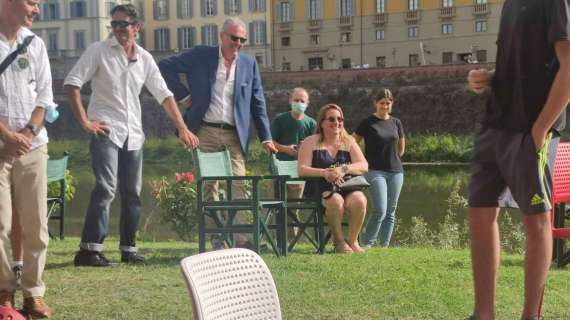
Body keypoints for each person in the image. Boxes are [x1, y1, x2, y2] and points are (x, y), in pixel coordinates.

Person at [64, 4, 199, 267]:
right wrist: (84, 121)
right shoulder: (98, 51)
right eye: (113, 24)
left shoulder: (145, 59)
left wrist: (182, 127)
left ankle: (128, 249)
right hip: (106, 130)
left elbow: (164, 94)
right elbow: (72, 82)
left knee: (133, 193)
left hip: (134, 134)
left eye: (122, 24)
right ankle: (89, 251)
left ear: (136, 27)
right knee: (106, 188)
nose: (116, 29)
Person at [466, 0, 570, 319]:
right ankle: (483, 314)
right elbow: (525, 64)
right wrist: (487, 77)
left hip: (530, 130)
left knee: (536, 221)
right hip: (494, 124)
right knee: (479, 214)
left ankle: (530, 316)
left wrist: (541, 128)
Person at [158, 17, 277, 250]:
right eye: (234, 38)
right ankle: (217, 237)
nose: (239, 43)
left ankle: (241, 240)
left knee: (239, 184)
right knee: (209, 186)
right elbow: (164, 67)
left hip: (235, 134)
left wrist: (266, 136)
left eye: (243, 39)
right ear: (222, 37)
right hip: (205, 131)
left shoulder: (249, 64)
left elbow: (257, 101)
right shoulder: (201, 55)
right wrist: (183, 95)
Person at [0, 0, 54, 317]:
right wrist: (7, 136)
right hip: (2, 146)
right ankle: (4, 290)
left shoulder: (35, 44)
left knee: (36, 225)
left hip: (32, 148)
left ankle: (33, 293)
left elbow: (44, 97)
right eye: (32, 1)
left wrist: (28, 134)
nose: (36, 9)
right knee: (0, 223)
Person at [297, 104, 368, 253]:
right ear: (322, 122)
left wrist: (344, 169)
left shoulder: (349, 141)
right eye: (331, 119)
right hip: (319, 188)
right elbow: (302, 170)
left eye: (340, 119)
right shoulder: (310, 142)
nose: (337, 122)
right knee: (336, 201)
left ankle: (353, 241)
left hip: (347, 186)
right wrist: (325, 173)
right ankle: (339, 242)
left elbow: (364, 165)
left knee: (360, 200)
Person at [354, 88, 405, 248]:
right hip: (375, 171)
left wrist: (394, 158)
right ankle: (367, 244)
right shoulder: (367, 122)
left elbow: (401, 146)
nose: (385, 106)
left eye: (388, 103)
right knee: (380, 209)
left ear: (392, 104)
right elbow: (352, 143)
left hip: (396, 171)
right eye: (382, 103)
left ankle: (384, 246)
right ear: (376, 103)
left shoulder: (396, 122)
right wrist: (360, 160)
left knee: (391, 211)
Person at [271, 87, 316, 238]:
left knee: (294, 207)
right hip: (279, 170)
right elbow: (269, 142)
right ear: (290, 101)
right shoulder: (280, 120)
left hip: (299, 171)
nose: (299, 103)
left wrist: (304, 147)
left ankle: (292, 239)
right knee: (277, 205)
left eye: (302, 101)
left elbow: (316, 147)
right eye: (296, 100)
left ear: (307, 103)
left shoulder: (311, 123)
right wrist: (285, 149)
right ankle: (277, 238)